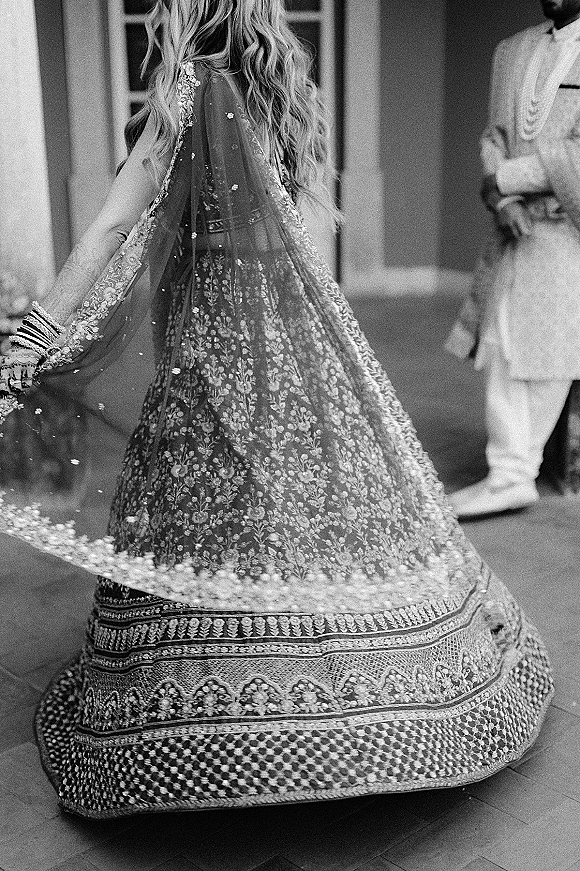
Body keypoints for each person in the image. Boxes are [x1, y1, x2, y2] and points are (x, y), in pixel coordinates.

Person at [0, 0, 553, 818]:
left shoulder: (187, 87)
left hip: (211, 323)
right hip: (288, 320)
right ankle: (362, 696)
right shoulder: (283, 85)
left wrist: (36, 333)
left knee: (214, 490)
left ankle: (216, 723)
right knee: (299, 482)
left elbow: (120, 220)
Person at [446, 0, 580, 519]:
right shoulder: (515, 49)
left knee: (549, 347)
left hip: (566, 231)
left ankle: (513, 473)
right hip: (516, 227)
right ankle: (507, 470)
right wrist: (501, 200)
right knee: (501, 339)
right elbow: (494, 137)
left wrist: (504, 181)